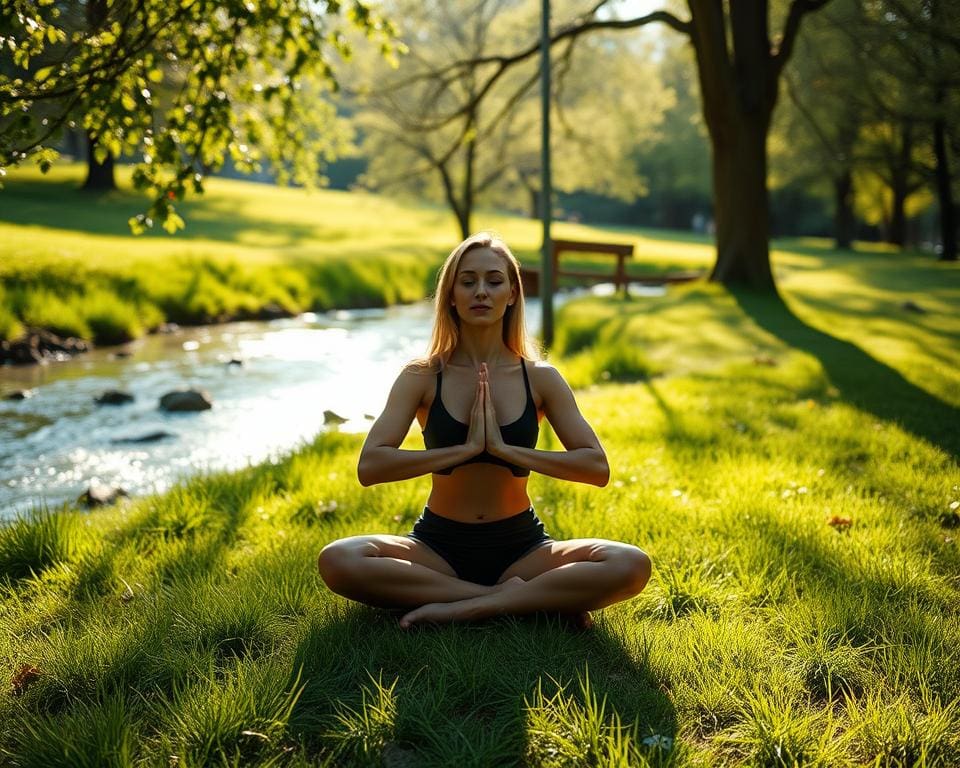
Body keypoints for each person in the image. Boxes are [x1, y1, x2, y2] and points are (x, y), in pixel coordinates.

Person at [318, 232, 651, 628]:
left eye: (494, 281)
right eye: (468, 281)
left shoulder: (540, 378)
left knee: (630, 563)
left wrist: (506, 451)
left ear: (512, 293)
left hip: (522, 547)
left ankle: (463, 608)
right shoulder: (422, 375)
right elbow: (370, 466)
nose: (481, 291)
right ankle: (516, 600)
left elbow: (596, 467)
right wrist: (463, 450)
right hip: (437, 547)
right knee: (339, 559)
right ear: (451, 295)